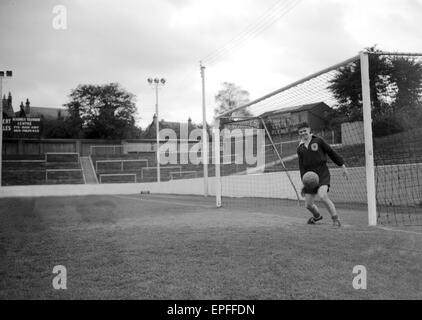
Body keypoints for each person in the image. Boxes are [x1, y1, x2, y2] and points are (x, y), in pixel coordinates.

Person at [296, 122, 348, 226]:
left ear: (309, 130)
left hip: (322, 173)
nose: (303, 133)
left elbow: (331, 152)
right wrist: (304, 183)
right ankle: (317, 217)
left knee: (323, 196)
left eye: (304, 130)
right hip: (309, 177)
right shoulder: (300, 148)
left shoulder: (318, 141)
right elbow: (302, 167)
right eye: (301, 132)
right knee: (308, 205)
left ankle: (335, 219)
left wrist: (342, 165)